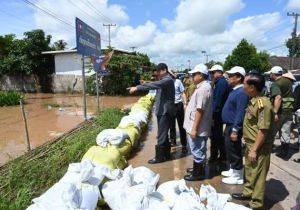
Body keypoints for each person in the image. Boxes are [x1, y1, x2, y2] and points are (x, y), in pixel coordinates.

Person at [232, 72, 274, 210]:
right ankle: (248, 193)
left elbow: (263, 130)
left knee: (259, 175)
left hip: (259, 146)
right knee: (250, 171)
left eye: (245, 84)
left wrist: (255, 149)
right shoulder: (253, 99)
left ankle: (256, 203)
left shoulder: (263, 104)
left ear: (252, 87)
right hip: (251, 144)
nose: (243, 87)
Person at [127, 63, 175, 164]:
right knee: (164, 134)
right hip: (162, 111)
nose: (156, 74)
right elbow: (154, 83)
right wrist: (144, 83)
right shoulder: (164, 80)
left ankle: (159, 157)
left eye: (158, 72)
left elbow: (156, 84)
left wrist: (137, 88)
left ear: (163, 70)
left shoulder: (167, 80)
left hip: (165, 112)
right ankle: (166, 155)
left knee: (161, 134)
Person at [183, 64, 213, 181]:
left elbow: (200, 110)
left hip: (197, 126)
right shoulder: (202, 87)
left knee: (197, 149)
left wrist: (194, 129)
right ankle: (198, 169)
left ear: (201, 75)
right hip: (197, 125)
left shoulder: (203, 88)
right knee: (199, 148)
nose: (192, 77)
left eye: (194, 74)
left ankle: (198, 173)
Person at [221, 66, 249, 185]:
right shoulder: (235, 90)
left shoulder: (242, 92)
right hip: (229, 124)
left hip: (233, 125)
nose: (228, 78)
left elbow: (240, 111)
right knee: (229, 148)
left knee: (234, 150)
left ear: (238, 77)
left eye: (231, 76)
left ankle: (238, 175)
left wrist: (235, 129)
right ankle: (233, 170)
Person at [267, 66, 294, 159]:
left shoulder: (276, 84)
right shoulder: (288, 81)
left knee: (271, 132)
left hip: (280, 112)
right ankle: (284, 153)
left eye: (271, 74)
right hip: (289, 110)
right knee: (285, 132)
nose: (270, 75)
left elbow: (278, 97)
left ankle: (267, 150)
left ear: (273, 74)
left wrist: (275, 113)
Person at [208, 64, 231, 163]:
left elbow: (217, 102)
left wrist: (212, 116)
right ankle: (221, 155)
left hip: (218, 115)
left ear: (219, 72)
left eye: (213, 72)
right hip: (219, 114)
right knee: (217, 136)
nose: (212, 75)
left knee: (215, 136)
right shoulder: (219, 82)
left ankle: (215, 156)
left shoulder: (221, 83)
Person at [168, 70, 188, 153]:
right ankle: (173, 142)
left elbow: (182, 93)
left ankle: (184, 145)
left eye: (170, 74)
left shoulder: (178, 82)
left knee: (181, 126)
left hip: (178, 105)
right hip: (170, 106)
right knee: (171, 126)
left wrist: (185, 104)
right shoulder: (166, 83)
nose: (169, 75)